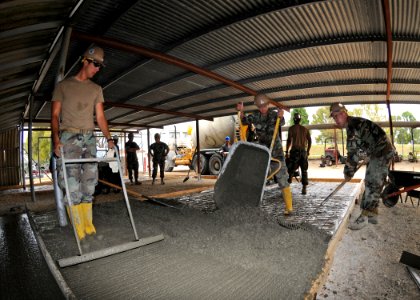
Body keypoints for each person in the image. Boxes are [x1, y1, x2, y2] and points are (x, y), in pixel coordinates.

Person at [51, 45, 112, 240]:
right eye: (95, 64)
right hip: (69, 138)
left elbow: (100, 117)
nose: (97, 69)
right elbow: (54, 116)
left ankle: (88, 225)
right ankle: (78, 228)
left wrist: (109, 139)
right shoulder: (63, 86)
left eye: (100, 66)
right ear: (84, 61)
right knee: (71, 184)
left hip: (89, 139)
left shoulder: (96, 89)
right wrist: (56, 141)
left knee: (90, 183)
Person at [329, 102, 395, 230]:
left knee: (372, 183)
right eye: (333, 118)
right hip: (378, 151)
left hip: (381, 151)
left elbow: (353, 155)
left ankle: (364, 217)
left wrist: (348, 173)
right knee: (375, 182)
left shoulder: (353, 127)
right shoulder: (353, 124)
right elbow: (360, 149)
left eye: (336, 116)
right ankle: (373, 216)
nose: (335, 120)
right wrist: (365, 154)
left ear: (343, 114)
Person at [236, 94, 293, 215]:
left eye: (265, 106)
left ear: (268, 104)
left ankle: (289, 208)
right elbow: (243, 120)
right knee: (258, 177)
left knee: (282, 177)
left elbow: (281, 122)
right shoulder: (255, 116)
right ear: (257, 106)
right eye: (260, 106)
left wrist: (281, 116)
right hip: (263, 152)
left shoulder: (274, 114)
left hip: (276, 151)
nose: (263, 108)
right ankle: (252, 205)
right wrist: (241, 111)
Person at [286, 112, 312, 195]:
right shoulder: (305, 129)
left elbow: (289, 140)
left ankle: (287, 187)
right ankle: (304, 188)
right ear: (300, 119)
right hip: (303, 152)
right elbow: (310, 140)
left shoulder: (291, 129)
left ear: (294, 120)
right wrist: (307, 151)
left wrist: (286, 151)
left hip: (295, 152)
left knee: (291, 169)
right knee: (304, 170)